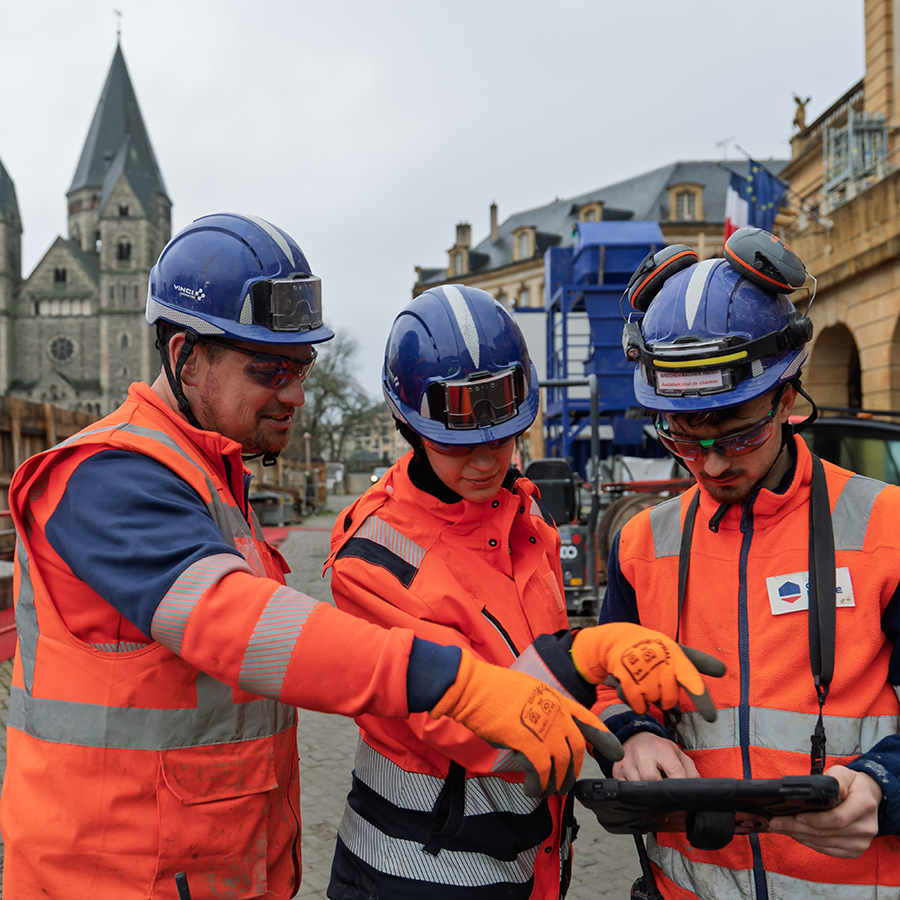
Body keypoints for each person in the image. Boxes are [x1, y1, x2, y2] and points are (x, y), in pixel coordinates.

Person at [0, 214, 718, 900]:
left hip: (205, 870)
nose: (297, 396)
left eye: (301, 368)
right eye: (269, 371)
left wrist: (620, 714)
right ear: (187, 358)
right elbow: (237, 621)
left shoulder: (212, 481)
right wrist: (458, 683)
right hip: (107, 876)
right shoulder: (104, 476)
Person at [323, 284, 725, 900]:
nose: (486, 460)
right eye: (459, 443)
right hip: (414, 874)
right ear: (408, 424)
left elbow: (550, 666)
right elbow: (469, 720)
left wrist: (629, 728)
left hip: (529, 864)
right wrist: (593, 672)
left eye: (505, 435)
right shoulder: (375, 556)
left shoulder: (527, 521)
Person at [598, 227, 900, 899]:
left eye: (738, 434)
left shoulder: (889, 529)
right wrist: (633, 736)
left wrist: (885, 788)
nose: (709, 464)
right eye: (682, 436)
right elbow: (608, 685)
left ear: (788, 396)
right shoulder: (640, 544)